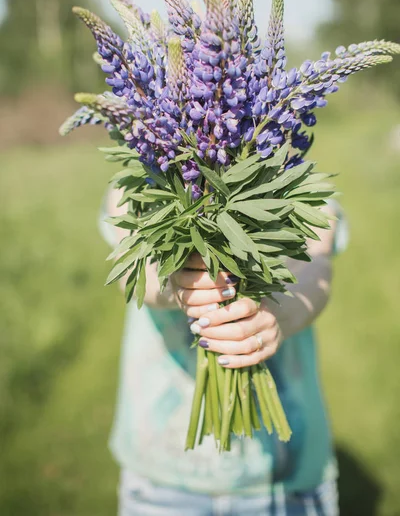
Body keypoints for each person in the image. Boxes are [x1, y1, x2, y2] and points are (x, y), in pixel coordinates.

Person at [99, 185, 348, 516]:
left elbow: (316, 267)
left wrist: (272, 321)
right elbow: (131, 263)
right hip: (162, 477)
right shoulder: (137, 178)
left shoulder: (296, 174)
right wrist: (176, 284)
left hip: (286, 476)